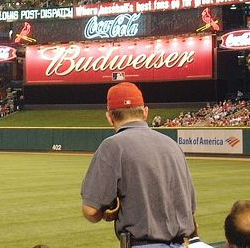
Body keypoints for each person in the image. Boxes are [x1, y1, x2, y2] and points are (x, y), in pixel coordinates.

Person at [81, 82, 197, 247]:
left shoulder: (113, 146)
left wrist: (108, 211)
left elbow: (91, 211)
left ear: (109, 117)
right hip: (182, 244)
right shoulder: (173, 145)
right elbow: (190, 208)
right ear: (145, 112)